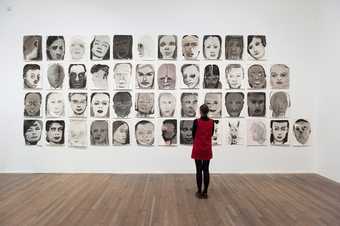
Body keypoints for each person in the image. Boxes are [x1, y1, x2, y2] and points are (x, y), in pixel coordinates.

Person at [191, 104, 215, 199]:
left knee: (198, 170)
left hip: (198, 148)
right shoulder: (212, 122)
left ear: (200, 112)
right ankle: (205, 192)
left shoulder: (196, 122)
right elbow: (211, 134)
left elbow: (193, 134)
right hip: (207, 149)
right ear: (208, 111)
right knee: (206, 170)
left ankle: (199, 191)